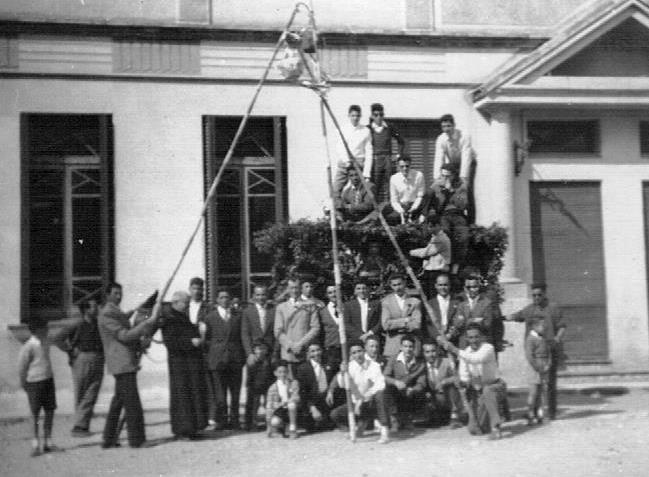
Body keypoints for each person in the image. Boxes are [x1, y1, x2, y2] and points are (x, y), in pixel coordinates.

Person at [98, 282, 158, 448]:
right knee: (132, 402)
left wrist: (137, 310)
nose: (119, 296)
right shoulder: (107, 314)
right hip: (121, 362)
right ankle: (137, 440)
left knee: (119, 400)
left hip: (124, 360)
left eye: (120, 293)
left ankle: (108, 439)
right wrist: (146, 324)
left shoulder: (114, 311)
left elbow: (124, 318)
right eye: (116, 293)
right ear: (108, 295)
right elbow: (124, 335)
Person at [506, 283, 566, 420]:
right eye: (534, 295)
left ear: (544, 294)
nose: (536, 297)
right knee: (535, 384)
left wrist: (557, 338)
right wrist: (501, 317)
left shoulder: (553, 308)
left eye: (539, 294)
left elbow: (562, 326)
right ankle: (535, 412)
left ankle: (550, 412)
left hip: (550, 351)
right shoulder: (529, 309)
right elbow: (516, 316)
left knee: (549, 384)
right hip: (534, 353)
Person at [442, 323, 506, 440]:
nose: (474, 340)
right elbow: (465, 377)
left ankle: (496, 428)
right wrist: (461, 383)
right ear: (466, 338)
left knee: (488, 391)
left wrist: (454, 350)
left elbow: (476, 359)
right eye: (471, 337)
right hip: (479, 391)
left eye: (477, 337)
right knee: (474, 429)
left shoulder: (488, 348)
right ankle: (492, 419)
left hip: (495, 386)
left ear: (481, 337)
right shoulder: (465, 352)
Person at [160, 291, 208, 439]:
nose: (187, 306)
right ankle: (183, 430)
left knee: (191, 396)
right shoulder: (169, 319)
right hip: (179, 365)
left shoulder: (181, 317)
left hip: (189, 364)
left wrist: (198, 330)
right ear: (176, 303)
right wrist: (190, 342)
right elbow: (170, 342)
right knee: (182, 397)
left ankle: (192, 429)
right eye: (185, 303)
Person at [327, 340, 390, 443]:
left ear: (364, 351)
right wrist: (343, 373)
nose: (358, 355)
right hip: (356, 404)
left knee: (380, 395)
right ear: (351, 355)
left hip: (371, 402)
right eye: (354, 353)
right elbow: (343, 385)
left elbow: (380, 385)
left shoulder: (374, 366)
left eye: (359, 351)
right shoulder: (350, 367)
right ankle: (357, 426)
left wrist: (364, 398)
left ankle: (384, 431)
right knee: (335, 414)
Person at [204, 288, 245, 430]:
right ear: (217, 300)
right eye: (221, 297)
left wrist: (242, 357)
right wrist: (214, 352)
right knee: (220, 394)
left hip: (235, 359)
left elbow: (242, 337)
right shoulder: (210, 317)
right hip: (217, 360)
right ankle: (221, 420)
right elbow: (207, 339)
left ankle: (234, 420)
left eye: (227, 297)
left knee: (235, 392)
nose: (224, 300)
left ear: (231, 299)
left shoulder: (238, 316)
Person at [18, 317, 59, 456]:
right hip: (34, 382)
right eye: (44, 328)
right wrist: (24, 384)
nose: (47, 330)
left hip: (48, 379)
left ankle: (48, 441)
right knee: (35, 414)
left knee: (50, 411)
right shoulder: (28, 346)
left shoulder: (47, 341)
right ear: (36, 330)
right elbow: (22, 367)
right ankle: (35, 444)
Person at [66, 299, 104, 437]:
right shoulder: (78, 324)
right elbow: (58, 337)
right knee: (81, 393)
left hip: (98, 358)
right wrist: (69, 350)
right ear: (86, 310)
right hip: (82, 359)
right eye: (94, 306)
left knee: (92, 393)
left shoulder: (99, 324)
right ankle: (80, 427)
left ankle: (81, 425)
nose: (97, 308)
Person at [274, 278, 320, 376]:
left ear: (301, 289)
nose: (294, 291)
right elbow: (277, 331)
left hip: (305, 352)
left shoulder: (310, 306)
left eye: (297, 288)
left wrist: (301, 344)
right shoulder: (281, 307)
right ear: (287, 289)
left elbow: (315, 327)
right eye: (291, 288)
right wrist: (291, 345)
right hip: (288, 353)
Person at [429, 162, 470, 271]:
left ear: (454, 175)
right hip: (443, 215)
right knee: (445, 234)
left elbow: (462, 205)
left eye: (448, 176)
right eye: (443, 175)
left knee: (463, 236)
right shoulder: (436, 186)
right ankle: (445, 266)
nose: (445, 178)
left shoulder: (461, 185)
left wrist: (452, 190)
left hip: (457, 214)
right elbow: (434, 206)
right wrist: (444, 193)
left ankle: (455, 268)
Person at [413, 340, 463, 428]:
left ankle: (454, 416)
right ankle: (429, 417)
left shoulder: (447, 362)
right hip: (433, 399)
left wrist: (444, 382)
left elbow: (458, 378)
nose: (431, 354)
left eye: (433, 351)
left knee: (451, 384)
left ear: (438, 351)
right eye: (427, 352)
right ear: (423, 353)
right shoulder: (421, 366)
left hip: (448, 398)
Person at [383, 334, 424, 433]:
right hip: (396, 390)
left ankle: (408, 419)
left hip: (410, 392)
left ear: (414, 348)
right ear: (401, 347)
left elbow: (422, 382)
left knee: (419, 394)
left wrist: (413, 389)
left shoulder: (419, 363)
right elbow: (385, 376)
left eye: (410, 347)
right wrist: (395, 382)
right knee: (387, 390)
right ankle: (394, 420)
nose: (408, 349)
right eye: (405, 346)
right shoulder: (393, 359)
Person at [368, 103, 405, 202]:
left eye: (381, 115)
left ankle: (391, 209)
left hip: (387, 159)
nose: (379, 117)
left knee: (390, 185)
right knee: (375, 186)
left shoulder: (389, 127)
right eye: (376, 115)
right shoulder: (368, 129)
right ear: (372, 116)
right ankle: (375, 211)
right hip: (375, 160)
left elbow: (401, 141)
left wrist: (398, 156)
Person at [456, 275, 504, 351]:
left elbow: (487, 324)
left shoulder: (487, 303)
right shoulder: (461, 304)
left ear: (479, 287)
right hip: (464, 345)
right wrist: (476, 320)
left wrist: (466, 320)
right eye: (469, 287)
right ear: (465, 288)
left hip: (482, 344)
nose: (472, 289)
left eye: (475, 287)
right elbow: (457, 324)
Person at [381, 274, 422, 358]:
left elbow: (417, 324)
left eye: (399, 284)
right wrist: (406, 320)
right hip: (393, 344)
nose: (397, 287)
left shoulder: (415, 302)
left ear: (404, 283)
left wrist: (395, 324)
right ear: (391, 286)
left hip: (411, 344)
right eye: (394, 285)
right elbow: (386, 325)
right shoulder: (386, 302)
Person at [334, 104, 373, 195]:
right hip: (345, 162)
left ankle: (357, 208)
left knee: (360, 191)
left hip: (359, 163)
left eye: (357, 116)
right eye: (353, 116)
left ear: (360, 116)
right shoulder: (342, 129)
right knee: (336, 189)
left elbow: (369, 151)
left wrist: (367, 172)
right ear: (349, 116)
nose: (355, 118)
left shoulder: (365, 130)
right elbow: (339, 147)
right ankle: (337, 208)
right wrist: (347, 161)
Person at [409, 215, 451, 297]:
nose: (429, 229)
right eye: (428, 227)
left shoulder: (441, 239)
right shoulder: (435, 237)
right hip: (432, 272)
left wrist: (410, 252)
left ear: (438, 226)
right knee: (428, 296)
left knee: (434, 298)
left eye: (431, 227)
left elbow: (426, 252)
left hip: (437, 272)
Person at [295, 342, 334, 432]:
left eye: (318, 350)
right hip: (312, 402)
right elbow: (303, 392)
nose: (316, 353)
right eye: (312, 351)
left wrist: (330, 391)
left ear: (322, 351)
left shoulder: (328, 364)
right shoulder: (303, 368)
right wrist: (312, 408)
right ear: (308, 354)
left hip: (327, 400)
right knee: (310, 426)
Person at [433, 113, 475, 184]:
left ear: (454, 125)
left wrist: (463, 177)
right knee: (449, 185)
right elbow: (439, 159)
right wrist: (436, 177)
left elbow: (466, 157)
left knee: (466, 187)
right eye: (443, 127)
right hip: (453, 163)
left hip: (469, 163)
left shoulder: (465, 136)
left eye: (448, 126)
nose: (446, 129)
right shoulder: (440, 139)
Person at [525, 316, 551, 425]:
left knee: (543, 392)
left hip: (544, 367)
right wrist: (537, 368)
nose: (544, 327)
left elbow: (549, 352)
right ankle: (530, 415)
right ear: (534, 326)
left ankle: (541, 414)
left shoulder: (543, 337)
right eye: (541, 325)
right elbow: (529, 356)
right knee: (533, 392)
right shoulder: (530, 339)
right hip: (535, 368)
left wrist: (548, 364)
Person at [241, 285, 276, 366]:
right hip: (254, 353)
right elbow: (245, 334)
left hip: (270, 353)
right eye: (258, 295)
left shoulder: (274, 310)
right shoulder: (247, 312)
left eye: (263, 294)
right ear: (253, 296)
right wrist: (249, 353)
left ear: (267, 295)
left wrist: (275, 353)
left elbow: (277, 333)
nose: (260, 297)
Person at [385, 156, 426, 225]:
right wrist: (401, 211)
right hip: (401, 206)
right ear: (398, 166)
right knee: (391, 218)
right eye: (402, 166)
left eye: (407, 166)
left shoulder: (419, 176)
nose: (405, 169)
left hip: (415, 205)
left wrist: (413, 208)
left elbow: (420, 196)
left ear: (410, 165)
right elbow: (394, 200)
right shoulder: (394, 178)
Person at [319, 285, 351, 373]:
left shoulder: (348, 308)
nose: (333, 295)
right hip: (330, 350)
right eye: (330, 293)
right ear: (327, 295)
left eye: (335, 292)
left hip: (346, 348)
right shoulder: (322, 311)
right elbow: (321, 333)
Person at [424, 274, 462, 346]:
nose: (443, 287)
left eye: (445, 285)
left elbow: (458, 322)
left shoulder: (457, 302)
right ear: (436, 286)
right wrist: (437, 337)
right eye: (440, 285)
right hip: (436, 343)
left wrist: (450, 335)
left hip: (453, 342)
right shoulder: (430, 304)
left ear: (450, 285)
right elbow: (428, 324)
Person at [244, 340, 275, 431]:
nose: (260, 351)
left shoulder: (269, 361)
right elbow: (249, 377)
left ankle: (269, 422)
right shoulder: (251, 362)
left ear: (267, 350)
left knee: (268, 403)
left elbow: (271, 376)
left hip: (267, 386)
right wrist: (249, 386)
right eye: (258, 349)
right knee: (254, 404)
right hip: (254, 386)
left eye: (263, 349)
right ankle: (252, 423)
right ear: (254, 350)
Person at [265, 360, 300, 439]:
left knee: (292, 405)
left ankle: (292, 429)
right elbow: (269, 406)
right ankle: (278, 430)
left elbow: (296, 397)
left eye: (285, 372)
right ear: (275, 373)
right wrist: (268, 425)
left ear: (288, 372)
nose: (283, 374)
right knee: (275, 421)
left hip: (292, 410)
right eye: (280, 372)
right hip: (280, 410)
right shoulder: (272, 387)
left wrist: (287, 402)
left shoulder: (293, 383)